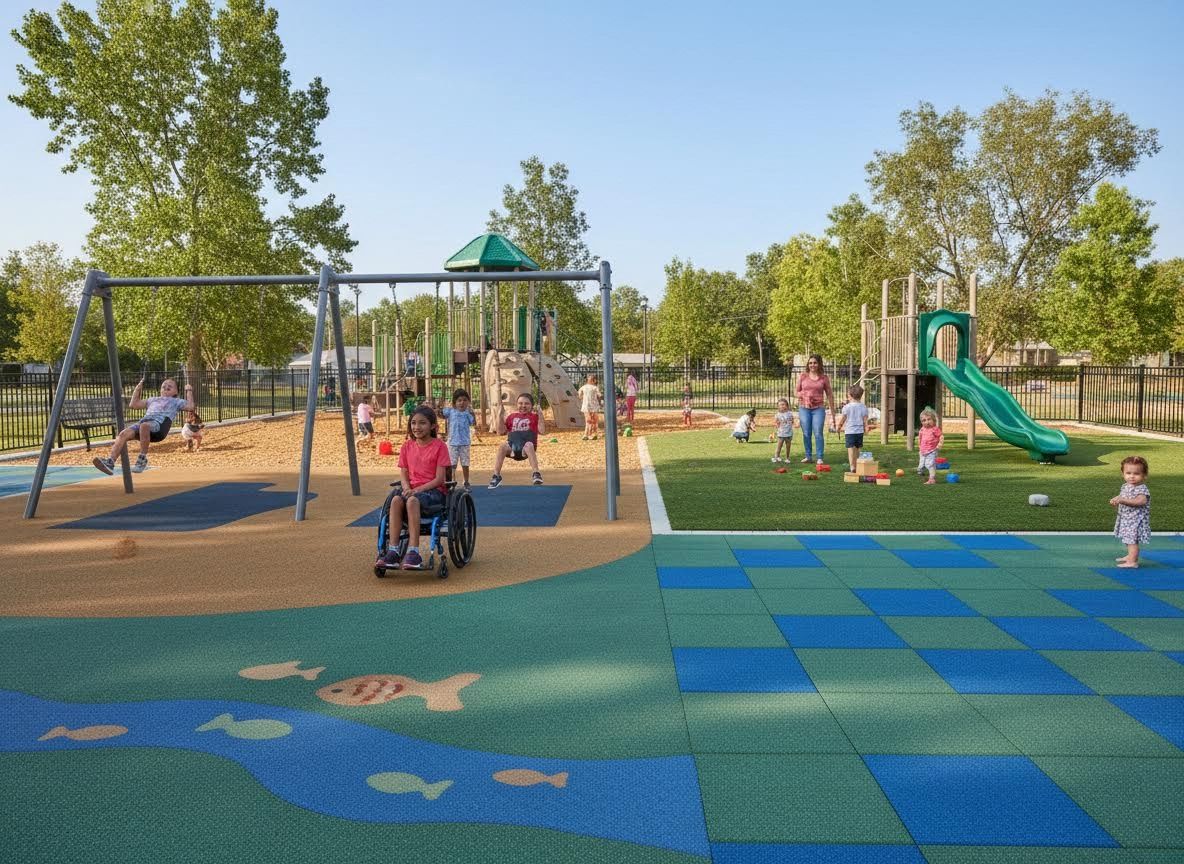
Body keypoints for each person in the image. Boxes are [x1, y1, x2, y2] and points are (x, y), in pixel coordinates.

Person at [377, 405, 452, 571]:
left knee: (411, 501)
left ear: (432, 426)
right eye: (413, 423)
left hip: (433, 493)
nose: (416, 427)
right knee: (396, 499)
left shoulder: (440, 446)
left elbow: (440, 479)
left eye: (422, 423)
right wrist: (406, 488)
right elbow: (403, 473)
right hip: (411, 491)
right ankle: (394, 551)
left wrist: (416, 491)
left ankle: (413, 552)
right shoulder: (407, 447)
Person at [93, 378, 193, 475]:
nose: (166, 386)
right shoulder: (152, 399)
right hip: (143, 424)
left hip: (159, 426)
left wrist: (189, 390)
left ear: (176, 391)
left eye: (170, 386)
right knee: (123, 434)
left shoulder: (176, 401)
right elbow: (134, 405)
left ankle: (142, 459)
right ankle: (110, 462)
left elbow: (191, 406)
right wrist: (137, 390)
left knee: (144, 426)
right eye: (164, 385)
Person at [489, 393, 545, 488]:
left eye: (526, 403)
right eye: (520, 403)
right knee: (502, 445)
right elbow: (500, 431)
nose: (523, 406)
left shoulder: (534, 417)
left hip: (526, 450)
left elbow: (542, 431)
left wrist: (540, 415)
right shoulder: (511, 417)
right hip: (512, 448)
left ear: (532, 406)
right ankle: (496, 476)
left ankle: (536, 474)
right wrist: (500, 415)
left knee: (529, 445)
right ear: (517, 404)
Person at [1111, 456, 1151, 568]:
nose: (1132, 476)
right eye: (1128, 473)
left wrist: (1123, 500)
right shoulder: (1126, 486)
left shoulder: (1141, 488)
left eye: (1136, 474)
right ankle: (1130, 556)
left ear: (1144, 475)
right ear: (1123, 473)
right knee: (1127, 538)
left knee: (1132, 540)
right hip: (1127, 518)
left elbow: (1141, 501)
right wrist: (1117, 498)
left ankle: (1132, 561)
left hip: (1136, 520)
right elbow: (1122, 495)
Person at [796, 354, 836, 463]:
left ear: (819, 364)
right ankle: (808, 456)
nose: (812, 365)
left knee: (818, 432)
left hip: (818, 409)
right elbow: (796, 392)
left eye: (815, 363)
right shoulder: (803, 376)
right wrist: (804, 395)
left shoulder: (824, 378)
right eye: (810, 363)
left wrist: (833, 412)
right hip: (804, 408)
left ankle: (819, 457)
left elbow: (829, 394)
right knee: (806, 433)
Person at [441, 388, 477, 491]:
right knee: (452, 464)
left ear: (468, 402)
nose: (462, 403)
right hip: (452, 443)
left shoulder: (467, 413)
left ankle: (466, 481)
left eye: (465, 400)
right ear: (454, 402)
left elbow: (473, 422)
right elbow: (440, 413)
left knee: (465, 463)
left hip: (464, 443)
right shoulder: (450, 411)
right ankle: (452, 482)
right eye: (459, 400)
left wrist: (472, 412)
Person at [837, 385, 870, 472]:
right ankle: (858, 465)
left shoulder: (846, 407)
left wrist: (839, 427)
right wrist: (866, 428)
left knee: (851, 449)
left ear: (850, 396)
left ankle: (852, 466)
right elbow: (865, 420)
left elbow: (843, 419)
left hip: (850, 432)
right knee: (858, 448)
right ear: (861, 395)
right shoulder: (863, 407)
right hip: (859, 431)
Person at [917, 406, 944, 484]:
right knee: (921, 466)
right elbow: (920, 438)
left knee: (930, 464)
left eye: (929, 419)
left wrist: (939, 445)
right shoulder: (922, 429)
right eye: (924, 420)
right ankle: (922, 473)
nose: (927, 422)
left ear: (933, 420)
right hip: (923, 451)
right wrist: (920, 447)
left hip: (932, 450)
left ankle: (932, 479)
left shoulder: (935, 429)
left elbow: (941, 436)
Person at [578, 374, 602, 441]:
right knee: (594, 420)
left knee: (588, 420)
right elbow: (599, 395)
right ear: (594, 380)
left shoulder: (583, 387)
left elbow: (579, 395)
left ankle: (587, 434)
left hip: (586, 406)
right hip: (594, 405)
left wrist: (584, 398)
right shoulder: (595, 388)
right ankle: (592, 434)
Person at [772, 398, 794, 462]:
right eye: (780, 405)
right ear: (778, 407)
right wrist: (776, 425)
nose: (782, 406)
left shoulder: (790, 413)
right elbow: (776, 422)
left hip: (789, 433)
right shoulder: (777, 415)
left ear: (787, 405)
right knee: (779, 446)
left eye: (783, 404)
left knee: (788, 446)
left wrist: (793, 423)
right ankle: (777, 457)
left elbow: (792, 421)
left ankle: (787, 458)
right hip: (781, 433)